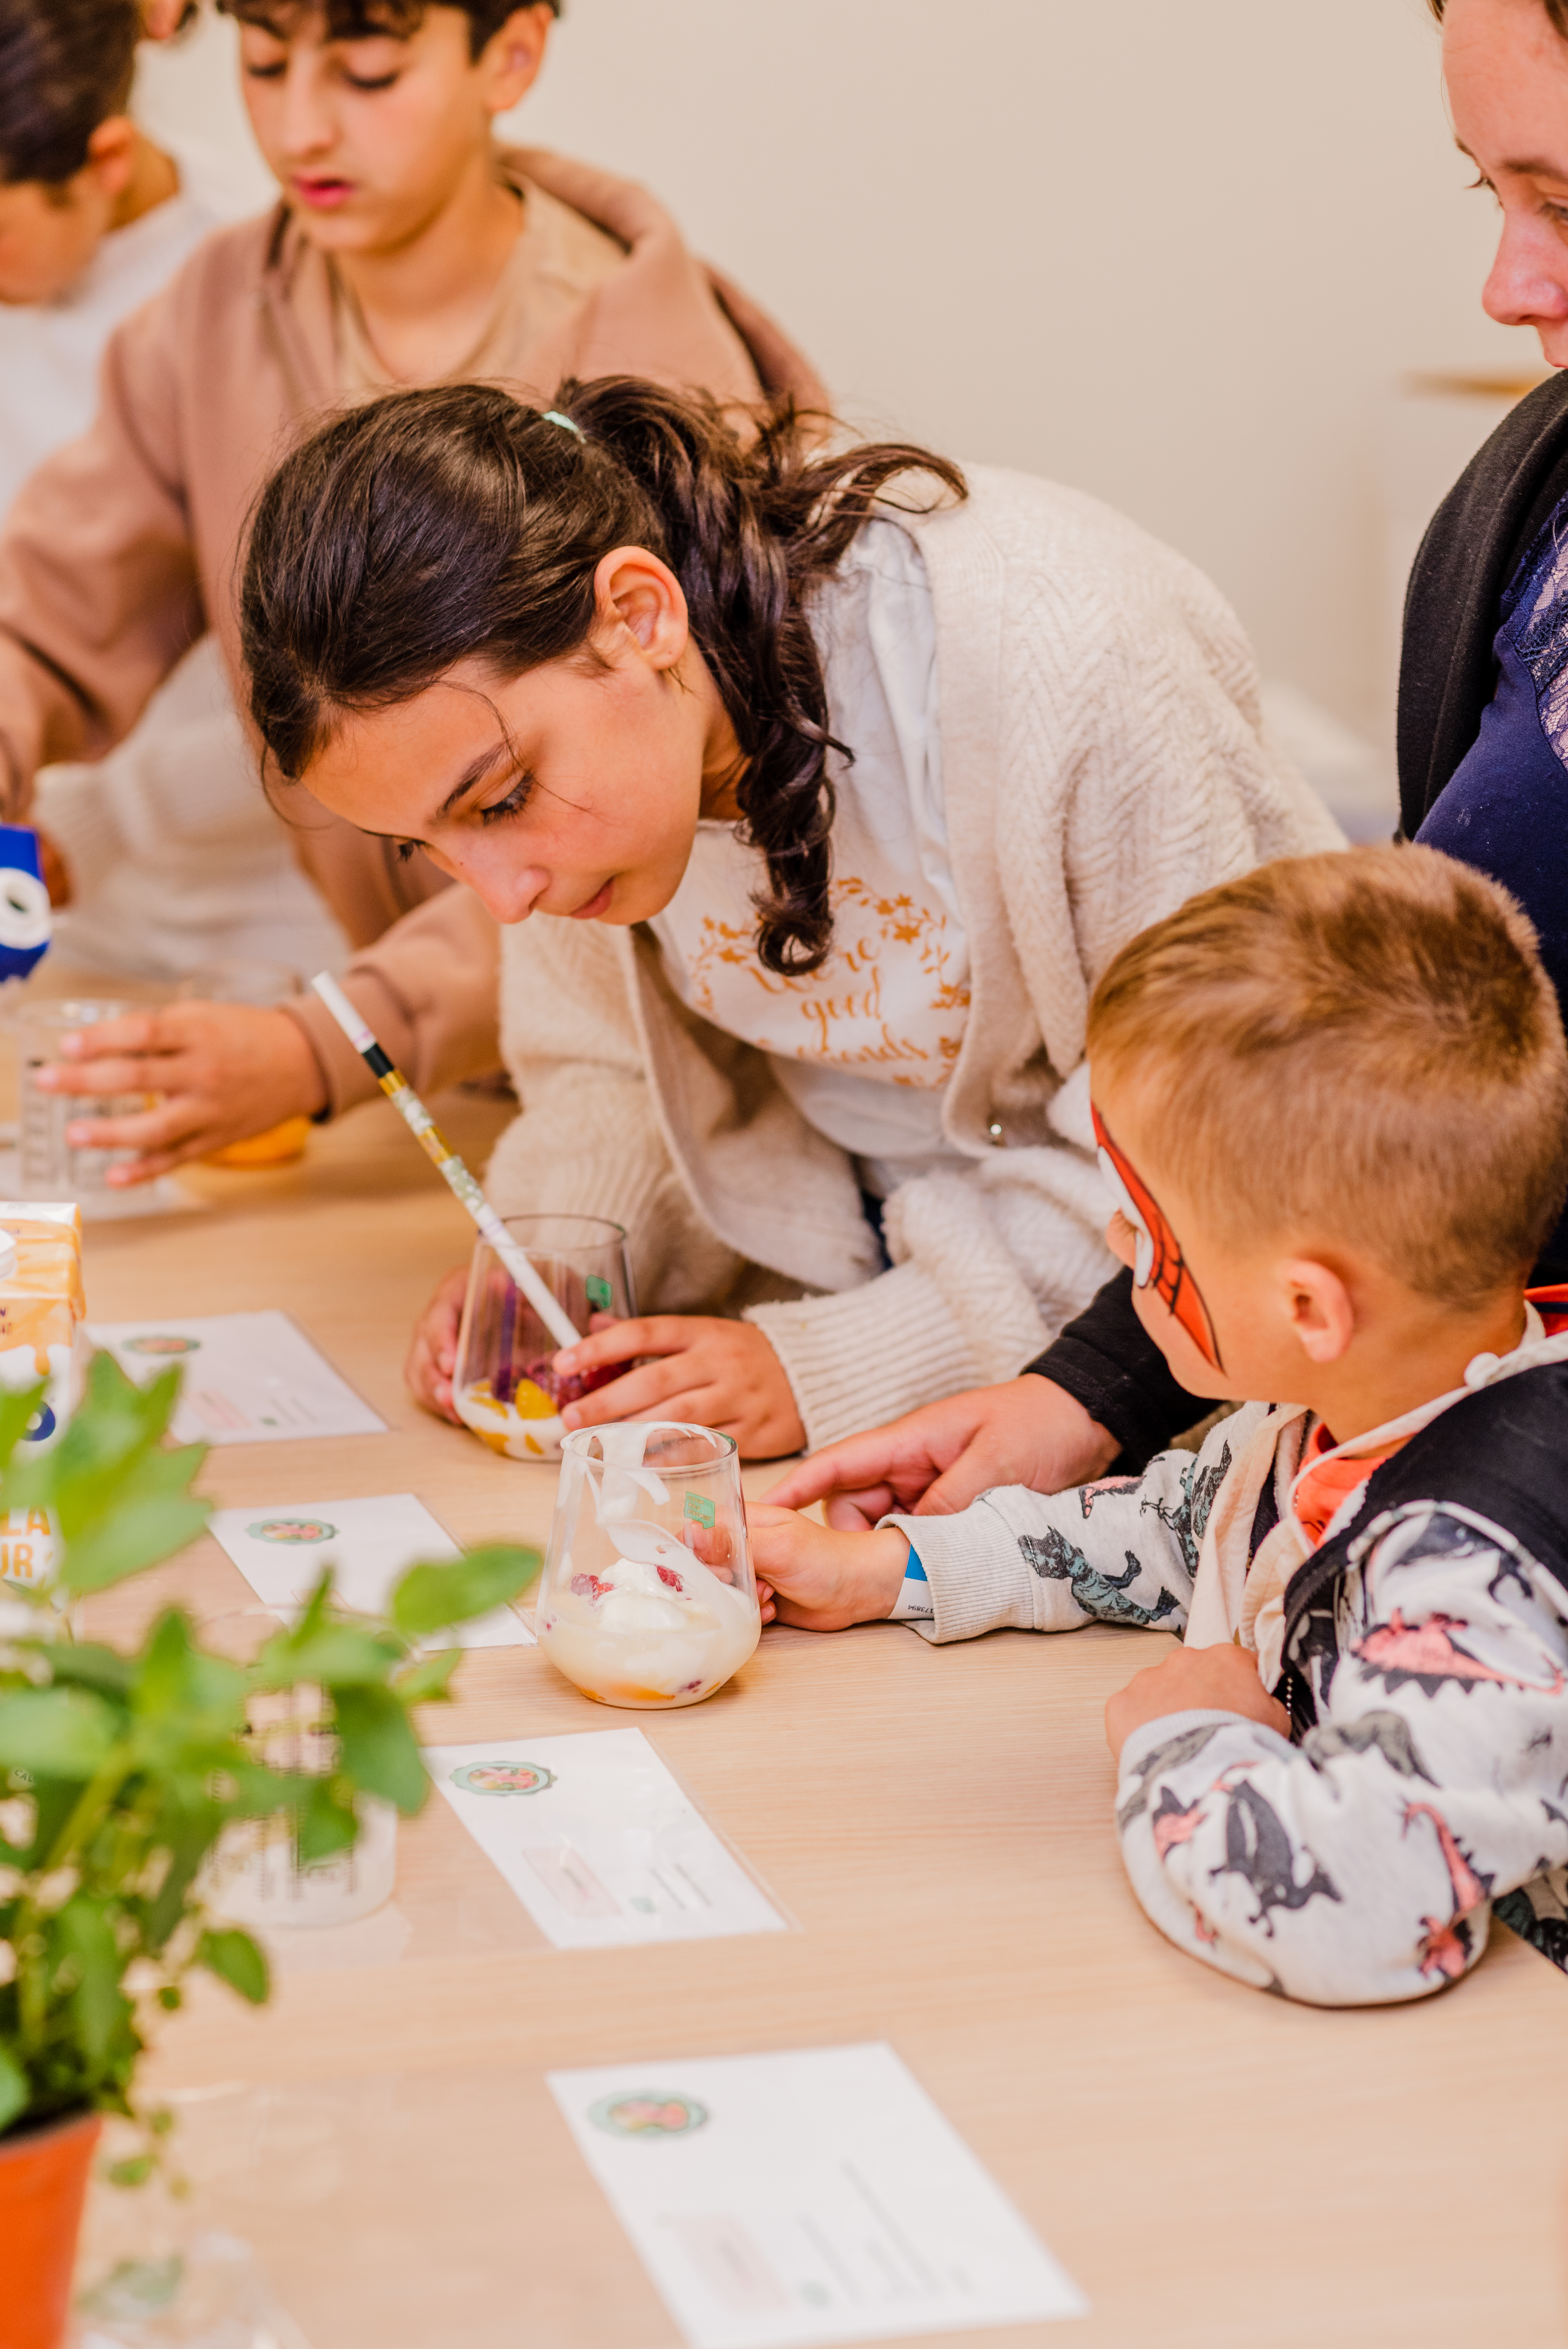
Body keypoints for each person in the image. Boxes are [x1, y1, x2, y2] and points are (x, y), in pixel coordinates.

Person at [771, 0, 1568, 1539]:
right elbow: (1395, 1095)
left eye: (1567, 203)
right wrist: (1092, 1398)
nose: (1503, 287)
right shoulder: (1523, 500)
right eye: (1495, 195)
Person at [237, 375, 1338, 1455]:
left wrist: (842, 1363)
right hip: (856, 1302)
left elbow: (1228, 1167)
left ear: (639, 614)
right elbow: (607, 1071)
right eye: (425, 845)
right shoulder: (590, 783)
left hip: (1171, 1365)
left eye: (503, 799)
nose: (504, 898)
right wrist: (570, 1263)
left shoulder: (1070, 663)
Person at [0, 0, 821, 1170]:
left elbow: (672, 829)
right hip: (431, 1090)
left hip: (681, 1116)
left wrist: (331, 1043)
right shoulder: (211, 313)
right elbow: (49, 621)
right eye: (266, 66)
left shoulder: (652, 360)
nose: (301, 130)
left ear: (513, 53)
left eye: (371, 75)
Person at [747, 847, 1568, 2003]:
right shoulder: (1338, 1412)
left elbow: (1366, 1916)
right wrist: (895, 1569)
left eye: (1142, 1232)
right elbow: (1184, 1529)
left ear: (1306, 1308)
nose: (1122, 1262)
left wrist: (1185, 1739)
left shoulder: (1477, 1578)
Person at [0, 0, 343, 983]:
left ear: (107, 163)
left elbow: (331, 672)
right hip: (61, 911)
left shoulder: (251, 282)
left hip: (273, 925)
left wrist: (111, 814)